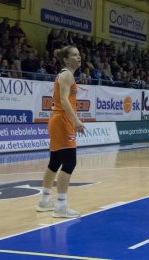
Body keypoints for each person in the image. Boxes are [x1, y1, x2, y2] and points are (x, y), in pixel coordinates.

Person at [37, 46, 85, 219]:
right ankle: (61, 205)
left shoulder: (65, 74)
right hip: (62, 120)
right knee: (70, 162)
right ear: (66, 59)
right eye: (74, 55)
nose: (78, 57)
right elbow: (64, 100)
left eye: (79, 55)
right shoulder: (67, 75)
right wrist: (75, 120)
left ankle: (44, 201)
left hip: (57, 119)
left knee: (55, 161)